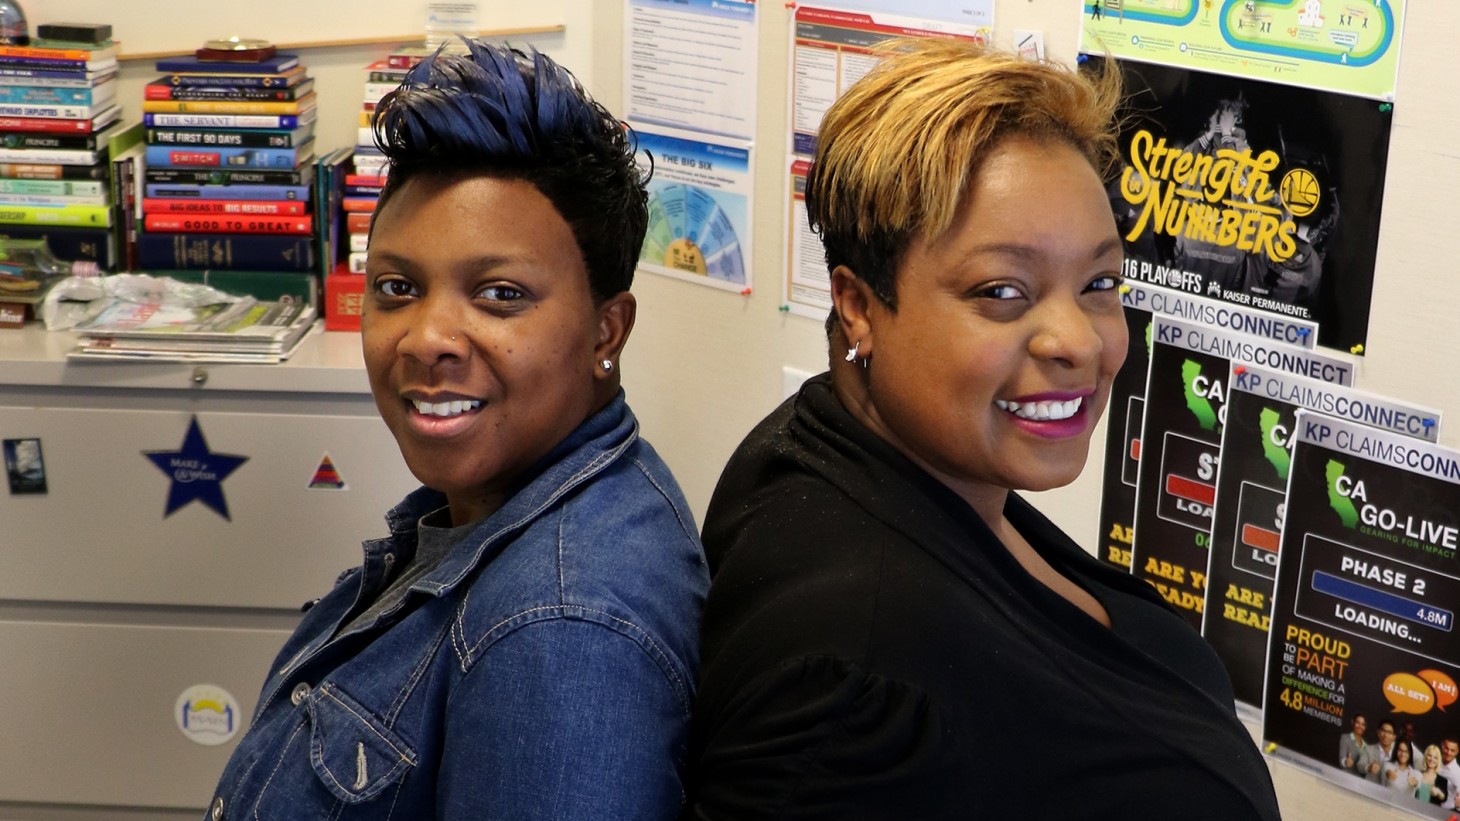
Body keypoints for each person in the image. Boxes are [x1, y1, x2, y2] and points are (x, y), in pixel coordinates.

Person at [684, 37, 1281, 820]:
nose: (1079, 340)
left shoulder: (872, 448)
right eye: (1002, 290)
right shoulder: (852, 674)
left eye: (1100, 282)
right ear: (861, 305)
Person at [206, 40, 708, 819]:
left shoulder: (560, 631)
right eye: (397, 286)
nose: (426, 337)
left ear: (608, 330)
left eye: (500, 293)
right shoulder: (488, 506)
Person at [1361, 718, 1399, 783]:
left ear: (1394, 737)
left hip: (1388, 791)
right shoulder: (1369, 749)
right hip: (1369, 789)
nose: (1386, 735)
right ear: (1378, 732)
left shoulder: (1399, 755)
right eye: (1383, 731)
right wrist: (1369, 767)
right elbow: (1360, 765)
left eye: (1389, 732)